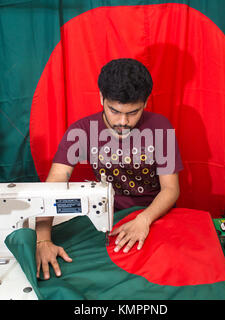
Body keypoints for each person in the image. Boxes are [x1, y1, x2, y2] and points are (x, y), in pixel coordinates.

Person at [35, 58, 183, 279]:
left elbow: (171, 189)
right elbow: (54, 185)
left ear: (146, 102)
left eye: (133, 112)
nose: (123, 121)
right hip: (106, 219)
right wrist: (43, 239)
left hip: (154, 216)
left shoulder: (160, 126)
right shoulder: (82, 131)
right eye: (114, 111)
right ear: (101, 98)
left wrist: (144, 219)